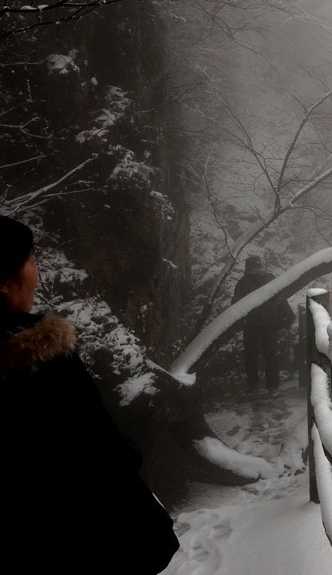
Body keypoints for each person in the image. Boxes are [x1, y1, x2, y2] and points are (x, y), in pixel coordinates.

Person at [0, 215, 179, 573]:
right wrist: (127, 454)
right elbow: (94, 448)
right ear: (5, 283)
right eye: (32, 263)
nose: (37, 274)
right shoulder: (40, 357)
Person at [234, 254, 293, 393]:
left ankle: (253, 385)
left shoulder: (243, 282)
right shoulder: (270, 279)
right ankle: (273, 386)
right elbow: (281, 299)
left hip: (251, 325)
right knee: (271, 355)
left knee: (250, 355)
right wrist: (286, 319)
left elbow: (236, 304)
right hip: (270, 324)